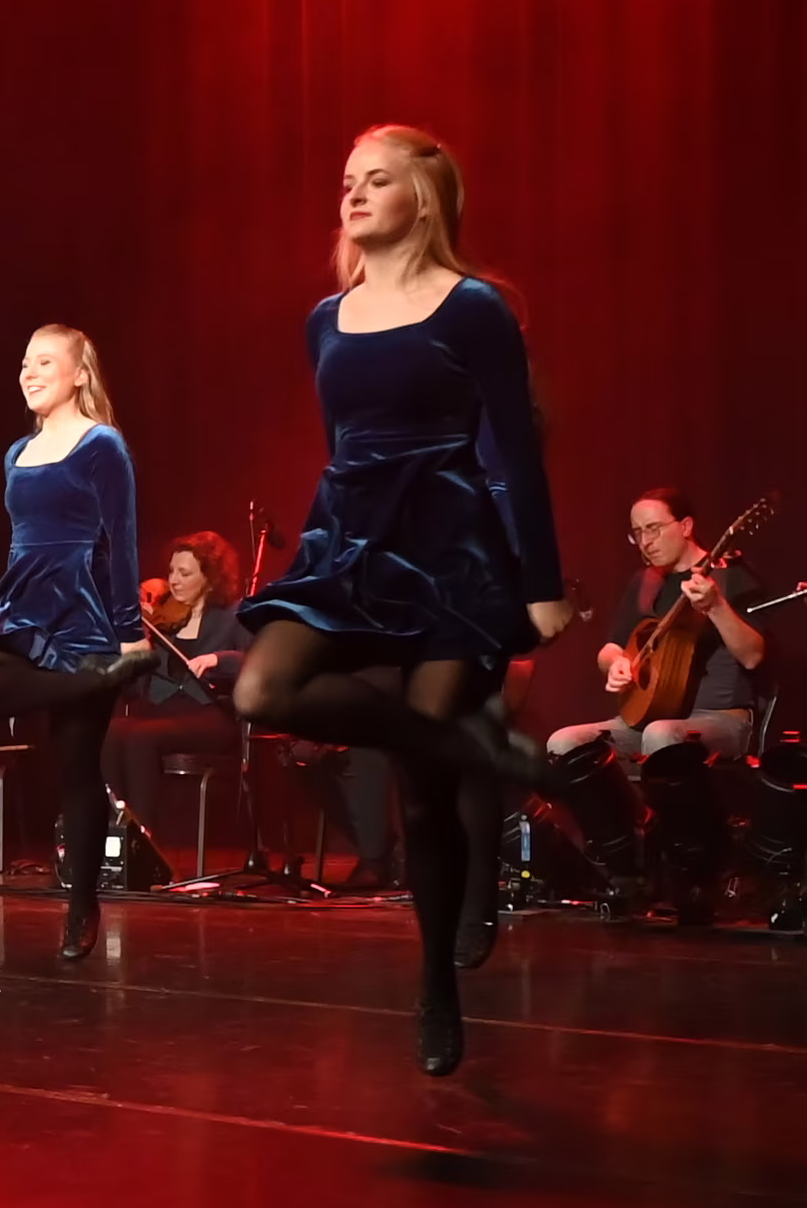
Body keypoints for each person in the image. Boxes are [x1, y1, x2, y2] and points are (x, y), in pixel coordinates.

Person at [229, 126, 590, 1075]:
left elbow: (517, 452)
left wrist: (539, 584)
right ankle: (474, 749)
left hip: (451, 548)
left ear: (422, 199)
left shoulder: (474, 309)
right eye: (347, 180)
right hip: (350, 543)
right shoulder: (325, 319)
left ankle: (436, 983)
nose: (351, 194)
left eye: (376, 180)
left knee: (423, 797)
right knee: (262, 689)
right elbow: (344, 445)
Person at [0, 325, 147, 962]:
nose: (29, 372)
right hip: (23, 608)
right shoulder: (16, 453)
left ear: (78, 374)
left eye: (44, 362)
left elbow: (122, 540)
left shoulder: (102, 444)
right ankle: (90, 680)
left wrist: (130, 635)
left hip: (83, 616)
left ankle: (82, 905)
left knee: (75, 768)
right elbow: (23, 542)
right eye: (25, 362)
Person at [549, 490, 771, 926]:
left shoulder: (732, 576)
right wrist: (616, 664)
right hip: (647, 719)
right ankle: (626, 864)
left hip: (722, 720)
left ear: (685, 526)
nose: (646, 541)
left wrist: (716, 607)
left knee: (662, 735)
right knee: (564, 743)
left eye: (653, 528)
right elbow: (611, 647)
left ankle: (691, 873)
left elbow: (754, 656)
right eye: (637, 533)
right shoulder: (646, 582)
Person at [108, 530, 257, 873]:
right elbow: (134, 688)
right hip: (160, 711)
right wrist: (135, 649)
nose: (173, 580)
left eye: (185, 573)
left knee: (141, 737)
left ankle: (146, 846)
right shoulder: (163, 619)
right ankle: (114, 835)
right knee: (112, 731)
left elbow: (254, 662)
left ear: (209, 579)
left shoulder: (233, 616)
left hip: (209, 714)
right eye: (172, 571)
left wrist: (218, 659)